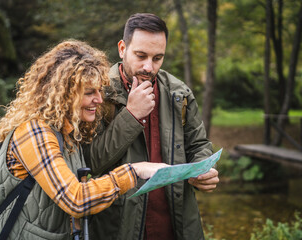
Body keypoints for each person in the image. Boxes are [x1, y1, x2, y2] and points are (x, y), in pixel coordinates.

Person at [0, 39, 169, 239]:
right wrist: (134, 171)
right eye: (89, 93)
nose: (99, 99)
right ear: (64, 94)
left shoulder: (67, 130)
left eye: (99, 90)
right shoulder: (34, 132)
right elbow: (76, 200)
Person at [83, 13, 219, 240]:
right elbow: (89, 163)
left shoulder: (179, 92)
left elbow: (198, 144)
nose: (149, 66)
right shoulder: (97, 93)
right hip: (118, 228)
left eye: (157, 58)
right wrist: (132, 116)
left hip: (177, 226)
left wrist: (201, 169)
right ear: (122, 48)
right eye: (141, 55)